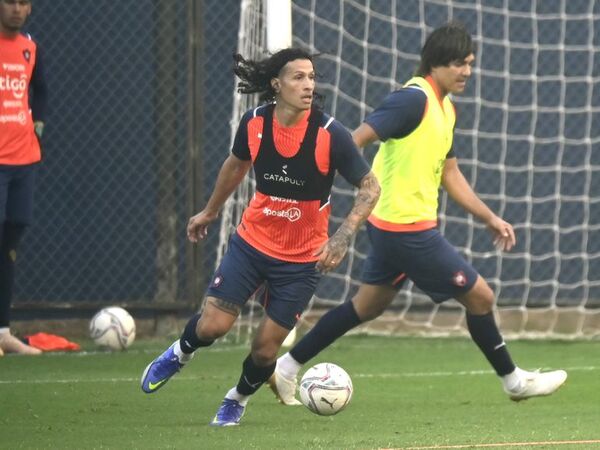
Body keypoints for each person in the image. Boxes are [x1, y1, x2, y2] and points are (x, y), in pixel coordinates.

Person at [269, 22, 567, 406]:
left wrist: (489, 217)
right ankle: (514, 381)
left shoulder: (445, 109)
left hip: (396, 228)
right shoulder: (413, 100)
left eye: (471, 64)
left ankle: (286, 368)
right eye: (459, 63)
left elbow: (450, 172)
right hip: (404, 230)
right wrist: (324, 185)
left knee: (366, 306)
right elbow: (353, 139)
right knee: (480, 297)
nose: (467, 72)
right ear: (437, 64)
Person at [140, 48, 380, 426]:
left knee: (266, 351)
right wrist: (210, 210)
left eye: (312, 77)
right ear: (276, 84)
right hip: (252, 244)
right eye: (298, 77)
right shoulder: (253, 122)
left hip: (302, 260)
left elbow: (370, 187)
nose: (308, 85)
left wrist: (342, 236)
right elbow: (236, 165)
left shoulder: (330, 134)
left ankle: (237, 397)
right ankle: (180, 353)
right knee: (212, 327)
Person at [0, 0, 46, 356]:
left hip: (24, 160)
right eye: (10, 2)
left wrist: (38, 128)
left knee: (9, 246)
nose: (16, 9)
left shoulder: (30, 48)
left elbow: (41, 92)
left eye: (22, 3)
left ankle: (3, 332)